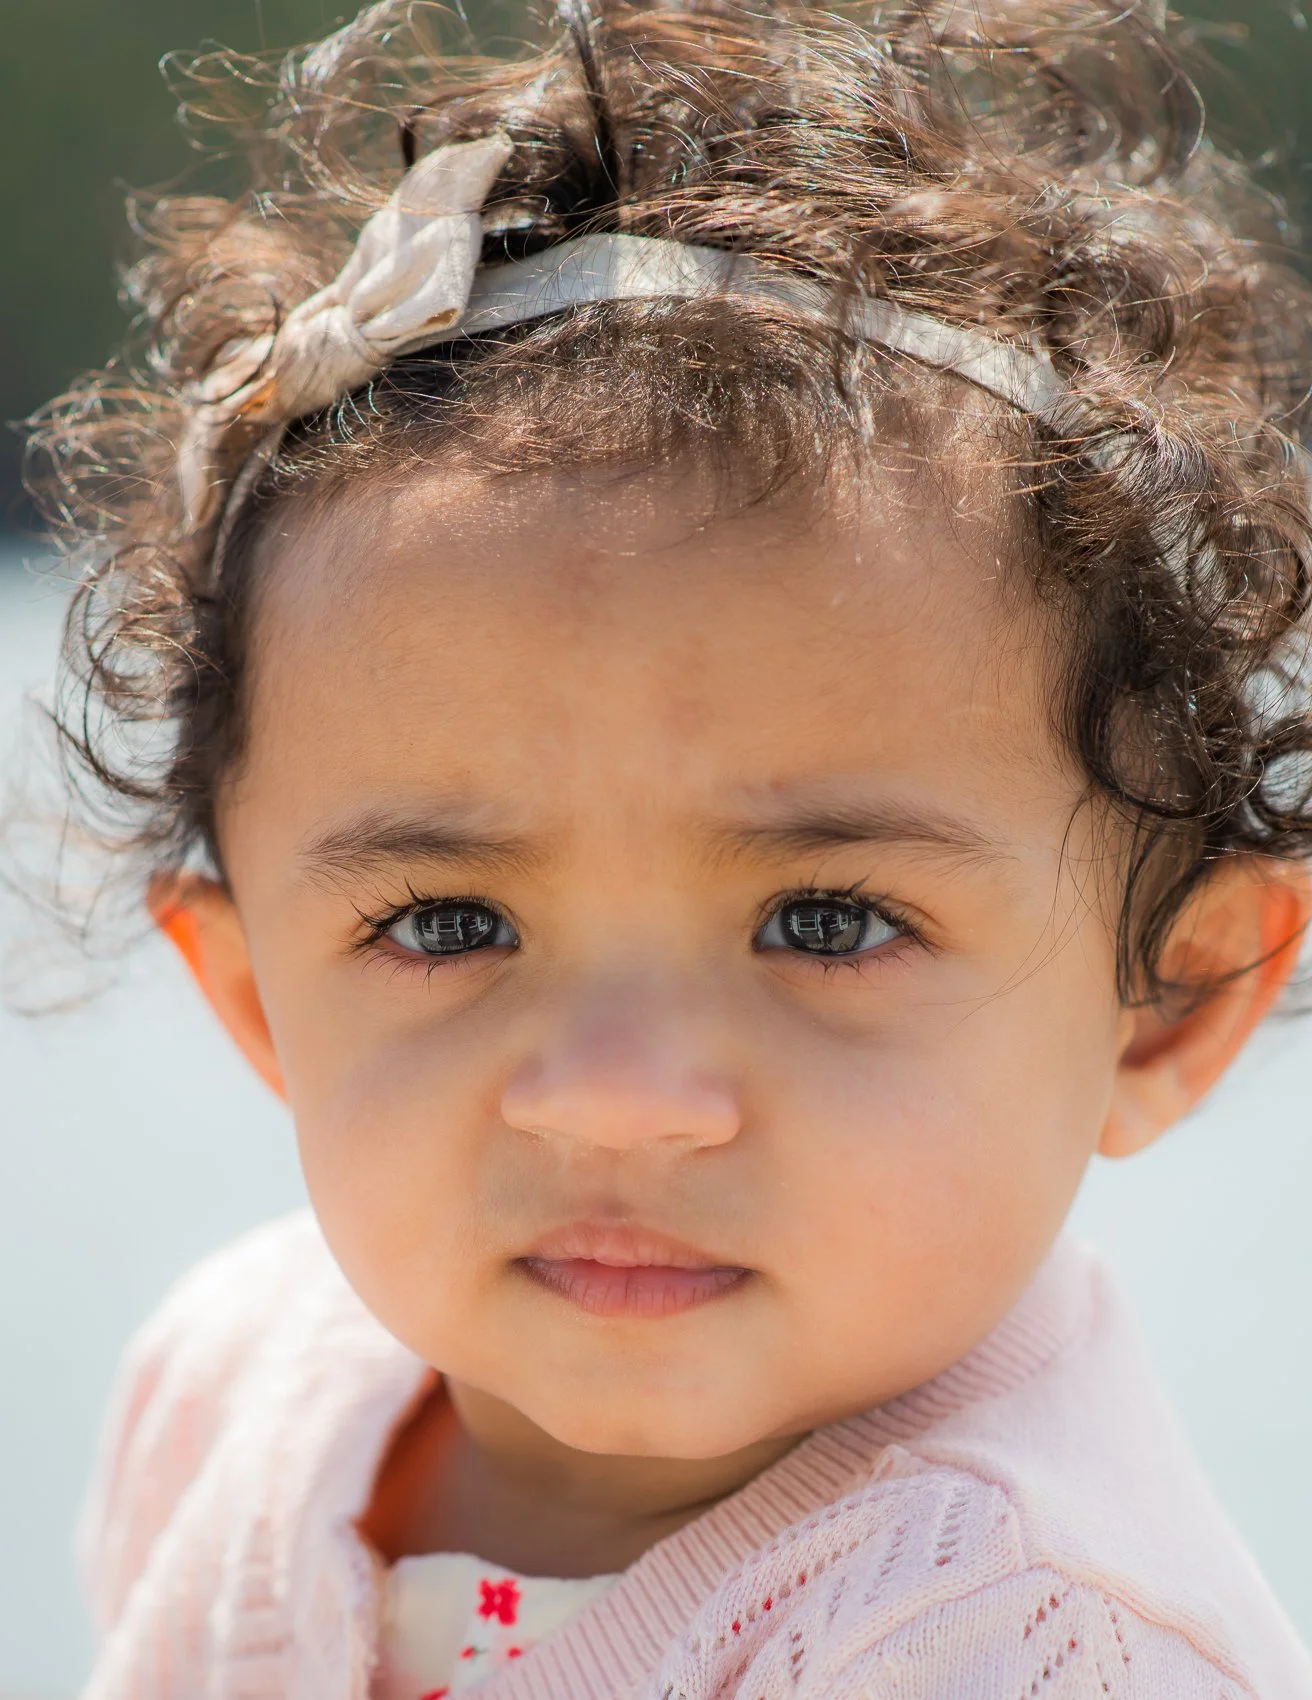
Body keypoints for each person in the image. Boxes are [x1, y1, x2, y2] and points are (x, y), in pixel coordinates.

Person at [26, 0, 1312, 1693]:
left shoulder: (1009, 1639)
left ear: (1166, 1002)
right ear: (257, 995)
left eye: (831, 921)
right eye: (448, 923)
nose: (615, 1094)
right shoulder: (231, 1389)